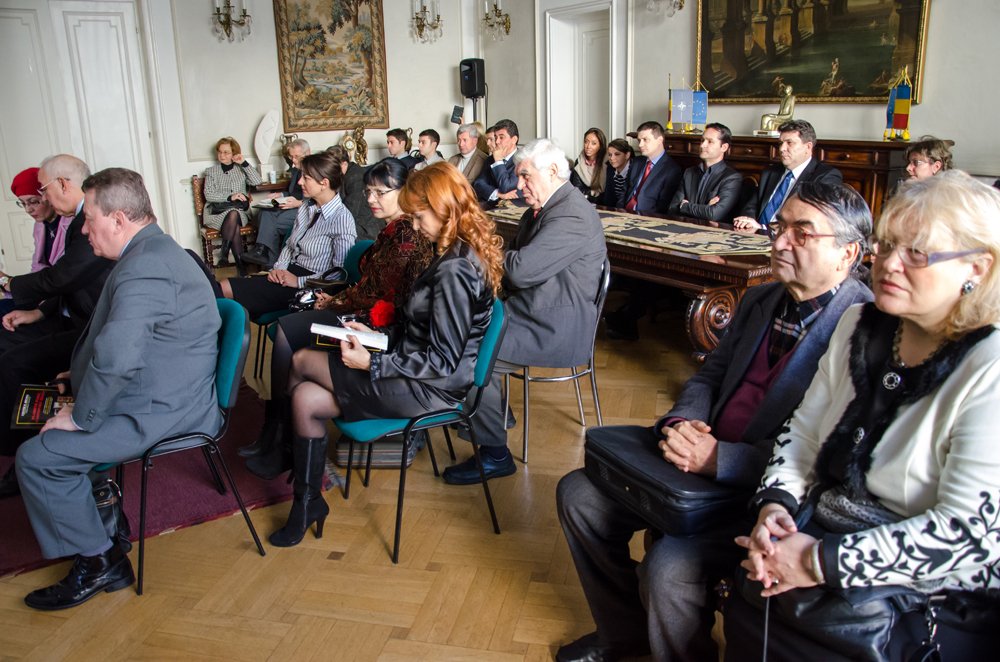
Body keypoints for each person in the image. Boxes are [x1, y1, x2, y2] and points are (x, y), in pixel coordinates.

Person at [556, 181, 874, 662]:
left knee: (669, 566)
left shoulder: (864, 332)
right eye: (779, 227)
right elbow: (710, 375)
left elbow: (826, 454)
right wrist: (683, 421)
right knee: (579, 493)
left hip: (764, 494)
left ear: (847, 253)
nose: (780, 242)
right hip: (695, 460)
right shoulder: (763, 299)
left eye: (802, 233)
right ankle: (623, 633)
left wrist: (719, 460)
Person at [727, 171, 1000, 660]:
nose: (889, 263)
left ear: (977, 268)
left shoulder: (990, 365)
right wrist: (776, 509)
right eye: (887, 245)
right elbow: (802, 433)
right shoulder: (859, 323)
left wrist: (818, 561)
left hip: (928, 600)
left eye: (917, 253)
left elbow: (965, 532)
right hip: (820, 535)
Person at [15, 167, 222, 610]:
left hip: (165, 410)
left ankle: (100, 562)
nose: (83, 229)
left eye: (89, 219)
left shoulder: (146, 266)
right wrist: (79, 377)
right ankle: (104, 518)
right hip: (162, 392)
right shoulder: (150, 252)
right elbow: (127, 345)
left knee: (38, 457)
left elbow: (119, 357)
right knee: (46, 420)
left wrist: (80, 416)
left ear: (118, 219)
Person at [267, 161, 504, 547]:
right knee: (306, 398)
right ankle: (306, 500)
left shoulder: (456, 269)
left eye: (419, 215)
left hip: (432, 389)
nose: (415, 225)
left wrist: (373, 360)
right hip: (415, 372)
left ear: (444, 209)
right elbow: (419, 331)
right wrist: (377, 337)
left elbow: (443, 361)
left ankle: (286, 459)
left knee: (301, 360)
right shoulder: (451, 253)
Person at [240, 159, 434, 479]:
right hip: (362, 312)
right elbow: (367, 286)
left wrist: (336, 301)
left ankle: (281, 436)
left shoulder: (405, 236)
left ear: (404, 192)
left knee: (288, 333)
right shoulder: (391, 230)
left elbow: (377, 295)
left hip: (377, 327)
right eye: (368, 191)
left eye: (380, 193)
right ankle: (277, 432)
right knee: (287, 330)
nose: (370, 199)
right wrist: (336, 299)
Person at [445, 139, 608, 485]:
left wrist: (479, 252)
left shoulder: (572, 214)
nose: (518, 186)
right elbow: (516, 264)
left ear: (553, 171)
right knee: (463, 327)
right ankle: (492, 411)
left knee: (471, 352)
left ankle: (495, 454)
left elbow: (519, 271)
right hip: (534, 309)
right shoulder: (546, 207)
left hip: (556, 324)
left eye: (525, 176)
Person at [0, 155, 112, 499]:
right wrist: (37, 311)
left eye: (43, 191)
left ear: (62, 184)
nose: (42, 198)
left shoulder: (87, 220)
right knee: (8, 346)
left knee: (13, 363)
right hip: (76, 318)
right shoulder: (77, 219)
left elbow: (63, 277)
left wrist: (9, 284)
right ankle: (20, 438)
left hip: (91, 328)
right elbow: (66, 281)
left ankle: (27, 453)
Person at [219, 150, 356, 319]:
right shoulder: (306, 207)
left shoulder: (342, 218)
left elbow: (338, 274)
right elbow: (290, 245)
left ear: (324, 183)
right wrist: (279, 269)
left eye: (306, 178)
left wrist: (298, 281)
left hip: (312, 286)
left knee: (225, 290)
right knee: (225, 289)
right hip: (289, 273)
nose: (299, 182)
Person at [733, 119, 842, 233]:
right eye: (780, 143)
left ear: (808, 147)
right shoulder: (770, 172)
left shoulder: (825, 176)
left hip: (789, 237)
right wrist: (747, 221)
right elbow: (752, 206)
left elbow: (813, 219)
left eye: (789, 143)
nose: (781, 149)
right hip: (752, 234)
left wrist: (763, 228)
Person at [1, 168, 72, 316]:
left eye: (33, 202)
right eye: (22, 203)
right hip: (44, 292)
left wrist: (7, 281)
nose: (28, 210)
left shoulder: (72, 224)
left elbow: (64, 276)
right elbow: (37, 267)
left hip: (64, 299)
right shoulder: (40, 226)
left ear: (48, 196)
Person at [243, 138, 310, 268]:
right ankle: (262, 251)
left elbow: (318, 197)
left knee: (271, 224)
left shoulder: (315, 170)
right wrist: (281, 195)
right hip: (292, 204)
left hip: (306, 208)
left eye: (296, 157)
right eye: (291, 157)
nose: (293, 161)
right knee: (265, 211)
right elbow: (294, 192)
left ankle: (269, 262)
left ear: (308, 153)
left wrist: (299, 203)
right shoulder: (297, 169)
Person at [202, 136, 262, 275]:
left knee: (234, 213)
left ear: (234, 154)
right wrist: (230, 197)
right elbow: (208, 195)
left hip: (240, 212)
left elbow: (257, 181)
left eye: (226, 152)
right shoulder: (211, 171)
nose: (222, 155)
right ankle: (241, 267)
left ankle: (224, 252)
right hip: (217, 213)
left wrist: (244, 163)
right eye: (220, 152)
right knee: (233, 223)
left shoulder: (241, 169)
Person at [668, 122, 743, 223]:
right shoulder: (689, 172)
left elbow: (714, 214)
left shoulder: (732, 178)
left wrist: (684, 206)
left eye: (710, 141)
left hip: (712, 231)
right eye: (702, 140)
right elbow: (672, 208)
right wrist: (705, 208)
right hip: (684, 227)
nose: (702, 145)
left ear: (724, 147)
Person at [623, 121, 682, 215]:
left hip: (647, 217)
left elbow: (663, 206)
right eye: (639, 140)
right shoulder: (636, 162)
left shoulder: (672, 170)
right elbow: (624, 192)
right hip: (624, 214)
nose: (640, 145)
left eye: (645, 140)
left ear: (659, 140)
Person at [328, 144, 381, 241]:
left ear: (344, 164)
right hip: (351, 221)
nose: (329, 171)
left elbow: (350, 212)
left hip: (365, 227)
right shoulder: (341, 173)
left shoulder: (356, 177)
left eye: (332, 167)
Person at [473, 118, 523, 206]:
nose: (497, 142)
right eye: (496, 137)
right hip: (489, 205)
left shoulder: (522, 160)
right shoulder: (490, 159)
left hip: (512, 208)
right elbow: (478, 184)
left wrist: (498, 162)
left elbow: (506, 188)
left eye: (501, 137)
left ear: (514, 140)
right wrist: (498, 194)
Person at [569, 127, 608, 202]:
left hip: (604, 204)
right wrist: (590, 193)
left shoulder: (608, 162)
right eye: (586, 142)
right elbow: (577, 190)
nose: (588, 146)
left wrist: (588, 193)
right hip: (583, 202)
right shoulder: (579, 161)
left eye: (594, 143)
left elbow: (608, 191)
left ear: (600, 146)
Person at [597, 138, 634, 209]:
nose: (612, 158)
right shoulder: (610, 168)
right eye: (610, 155)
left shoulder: (635, 169)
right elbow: (608, 198)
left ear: (627, 155)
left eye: (617, 154)